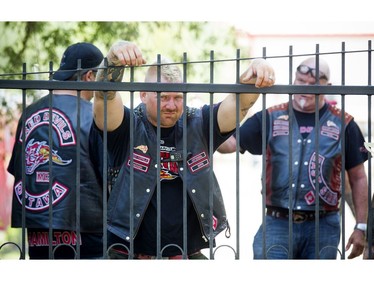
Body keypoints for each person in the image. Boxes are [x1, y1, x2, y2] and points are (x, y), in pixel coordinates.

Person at [93, 40, 275, 259]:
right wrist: (112, 59)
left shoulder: (199, 123)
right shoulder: (127, 124)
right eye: (163, 97)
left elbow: (240, 105)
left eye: (178, 97)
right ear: (143, 95)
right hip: (128, 254)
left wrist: (255, 73)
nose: (171, 105)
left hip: (187, 254)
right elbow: (104, 97)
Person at [218, 56, 368, 259]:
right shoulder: (270, 117)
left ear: (327, 86)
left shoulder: (345, 123)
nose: (305, 88)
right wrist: (237, 103)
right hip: (277, 223)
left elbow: (358, 177)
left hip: (323, 226)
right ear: (294, 80)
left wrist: (361, 226)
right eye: (300, 82)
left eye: (312, 84)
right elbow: (226, 145)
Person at [8, 42, 105, 259]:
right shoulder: (94, 116)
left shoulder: (29, 112)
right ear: (90, 76)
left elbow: (18, 169)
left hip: (37, 235)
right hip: (88, 237)